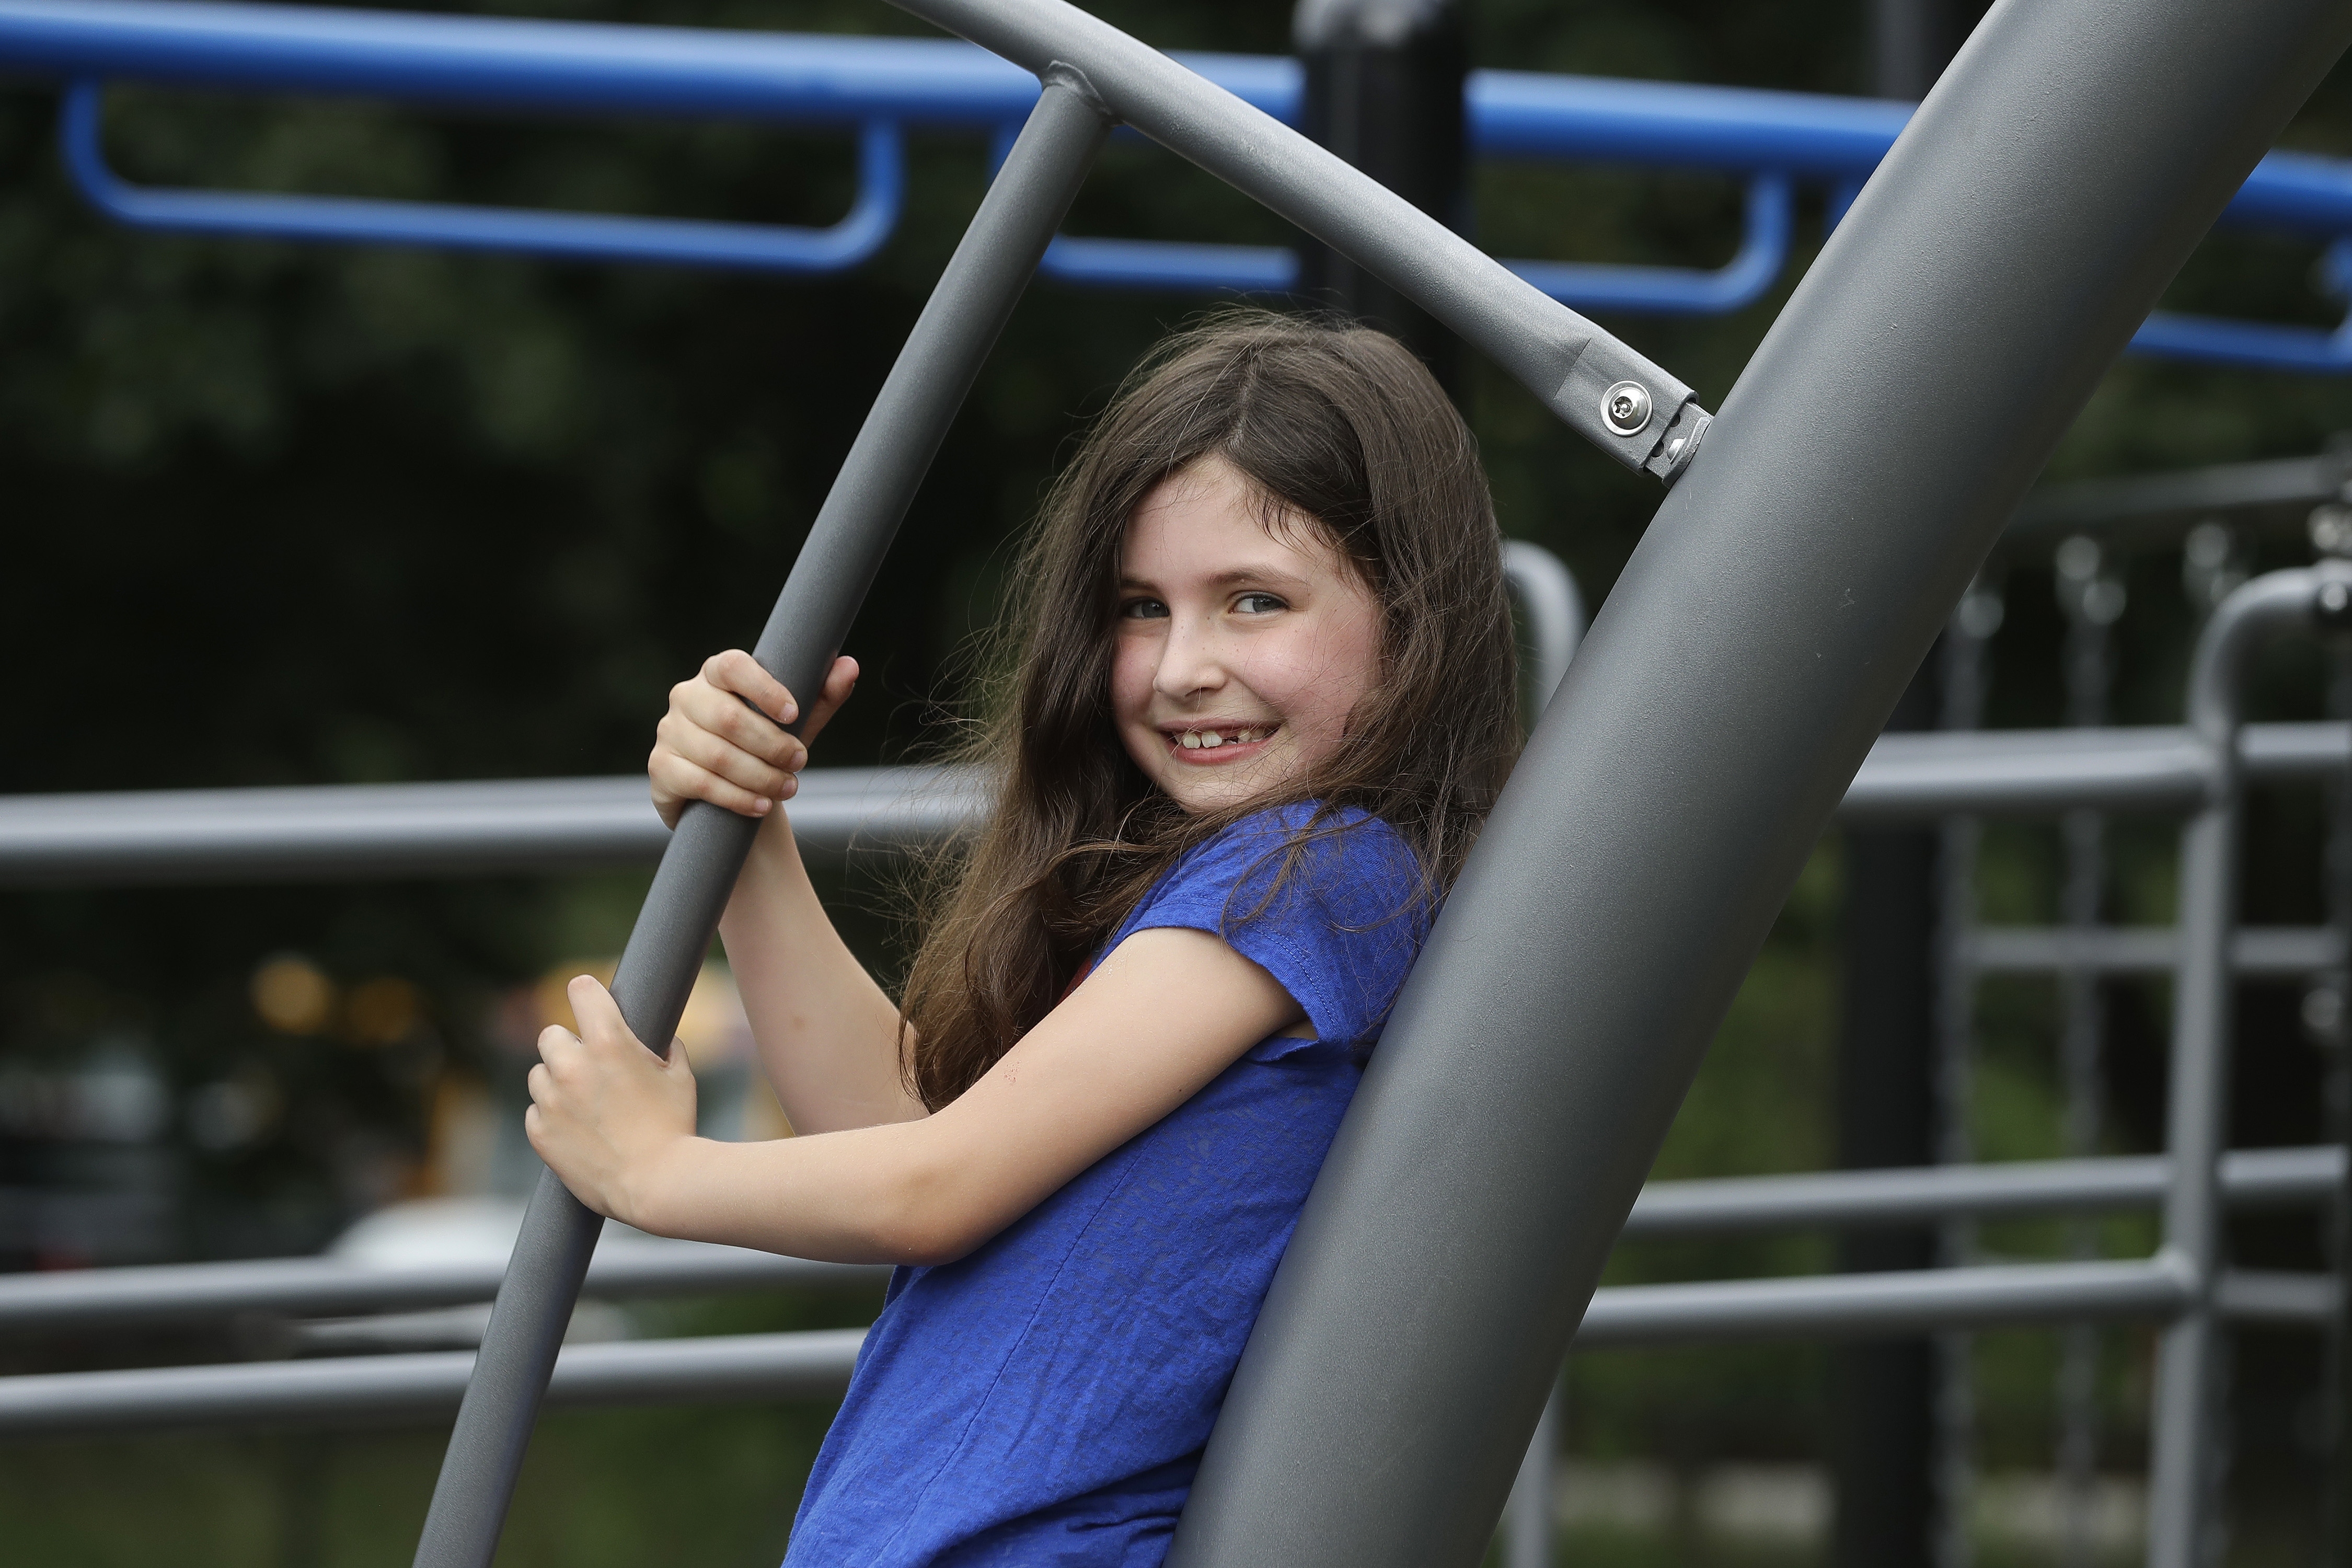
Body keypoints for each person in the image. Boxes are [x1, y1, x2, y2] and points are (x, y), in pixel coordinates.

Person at [524, 309, 1521, 1565]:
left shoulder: (1312, 876)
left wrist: (656, 1174)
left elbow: (932, 1190)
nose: (1181, 668)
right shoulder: (1247, 886)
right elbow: (908, 1136)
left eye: (1256, 601)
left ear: (1414, 616)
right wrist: (749, 843)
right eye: (1141, 608)